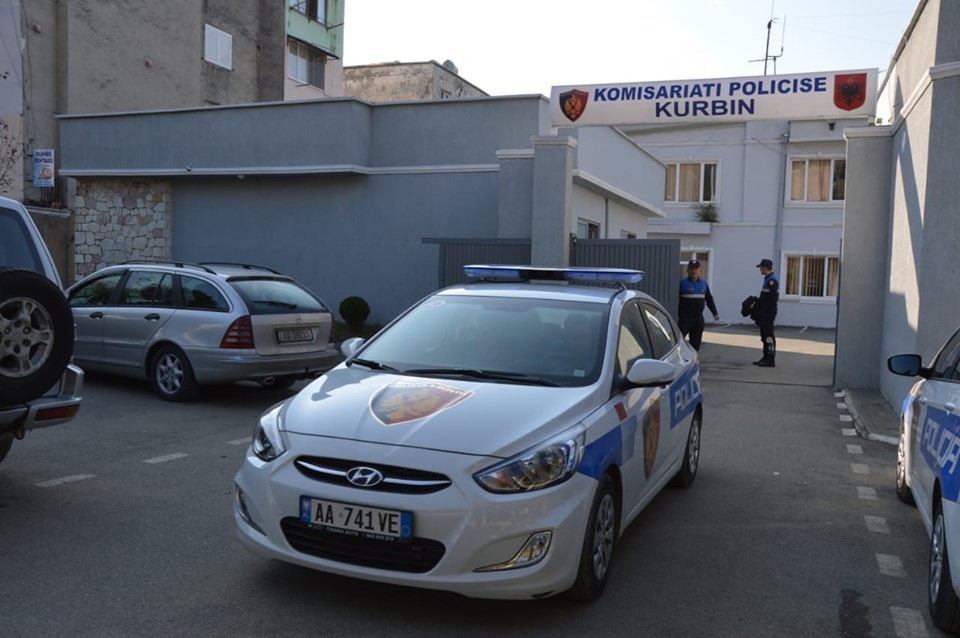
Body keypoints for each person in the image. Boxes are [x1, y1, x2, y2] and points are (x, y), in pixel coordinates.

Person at [677, 260, 719, 351]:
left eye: (696, 269)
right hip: (685, 318)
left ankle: (694, 358)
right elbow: (675, 300)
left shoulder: (703, 284)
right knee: (678, 342)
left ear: (699, 270)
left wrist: (715, 313)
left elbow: (709, 299)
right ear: (687, 270)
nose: (694, 271)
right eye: (691, 269)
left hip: (698, 319)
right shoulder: (682, 283)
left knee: (695, 344)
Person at [753, 258, 779, 367]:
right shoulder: (768, 279)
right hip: (764, 312)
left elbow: (772, 299)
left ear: (765, 268)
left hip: (768, 312)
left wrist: (767, 312)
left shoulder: (772, 280)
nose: (760, 270)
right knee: (764, 335)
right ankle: (765, 356)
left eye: (761, 268)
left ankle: (770, 358)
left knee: (768, 335)